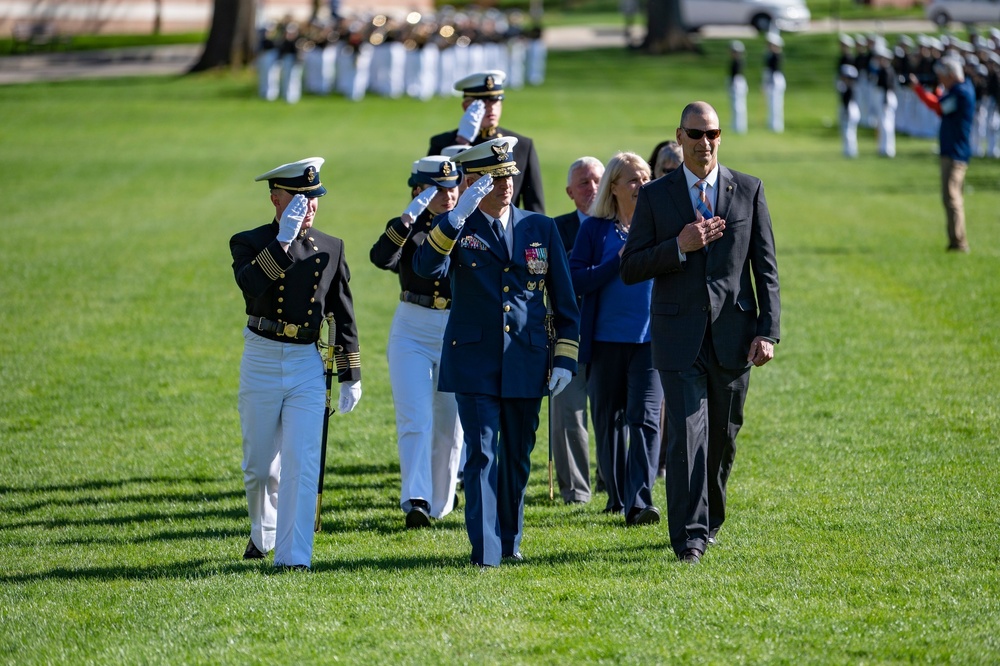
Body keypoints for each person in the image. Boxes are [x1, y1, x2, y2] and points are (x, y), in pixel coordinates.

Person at [620, 102, 781, 564]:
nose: (705, 143)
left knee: (722, 439)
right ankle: (689, 537)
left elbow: (765, 270)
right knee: (687, 436)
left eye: (713, 133)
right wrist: (678, 246)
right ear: (679, 136)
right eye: (696, 134)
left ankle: (709, 521)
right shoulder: (655, 196)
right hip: (677, 337)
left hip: (734, 336)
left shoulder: (748, 190)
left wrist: (767, 331)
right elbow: (630, 267)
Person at [413, 137, 580, 568]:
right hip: (473, 359)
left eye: (508, 175)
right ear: (472, 181)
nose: (507, 184)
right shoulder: (458, 227)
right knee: (482, 454)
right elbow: (424, 268)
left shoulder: (539, 228)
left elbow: (565, 301)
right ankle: (486, 551)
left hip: (526, 359)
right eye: (494, 177)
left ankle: (510, 541)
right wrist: (454, 218)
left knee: (517, 457)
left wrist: (563, 358)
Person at [230, 157, 363, 571]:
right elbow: (251, 289)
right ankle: (263, 531)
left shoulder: (331, 246)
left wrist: (350, 374)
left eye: (314, 198)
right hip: (263, 355)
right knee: (258, 467)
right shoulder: (248, 242)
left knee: (301, 463)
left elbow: (343, 314)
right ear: (275, 198)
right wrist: (282, 243)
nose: (308, 207)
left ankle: (292, 557)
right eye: (298, 198)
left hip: (306, 361)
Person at [369, 156, 464, 529]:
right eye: (438, 188)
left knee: (450, 425)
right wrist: (407, 218)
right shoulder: (410, 228)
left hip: (456, 327)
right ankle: (416, 499)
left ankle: (440, 501)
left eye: (453, 186)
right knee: (416, 418)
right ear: (418, 191)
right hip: (413, 326)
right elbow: (382, 258)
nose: (448, 194)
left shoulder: (466, 223)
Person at [569, 152, 662, 526]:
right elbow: (577, 280)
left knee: (645, 418)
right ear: (616, 187)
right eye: (634, 180)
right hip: (605, 341)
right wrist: (616, 260)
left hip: (650, 341)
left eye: (646, 178)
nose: (642, 185)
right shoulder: (594, 229)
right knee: (608, 422)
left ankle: (639, 502)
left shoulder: (659, 224)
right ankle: (618, 496)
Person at [550, 156, 604, 505]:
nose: (592, 188)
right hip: (567, 337)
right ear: (570, 192)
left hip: (611, 334)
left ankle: (613, 483)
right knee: (568, 416)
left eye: (598, 180)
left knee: (613, 416)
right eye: (584, 183)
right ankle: (576, 493)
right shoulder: (554, 228)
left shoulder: (623, 224)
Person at [427, 70, 546, 213]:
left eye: (495, 100)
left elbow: (534, 207)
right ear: (466, 107)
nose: (491, 107)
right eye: (482, 102)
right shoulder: (443, 143)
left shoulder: (521, 145)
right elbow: (432, 199)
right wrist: (461, 142)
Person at [908, 56, 976, 252]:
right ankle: (955, 240)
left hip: (955, 152)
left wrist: (919, 90)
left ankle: (959, 242)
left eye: (943, 77)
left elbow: (938, 106)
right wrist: (935, 91)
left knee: (952, 198)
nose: (941, 81)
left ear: (952, 75)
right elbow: (942, 106)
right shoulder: (959, 90)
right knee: (950, 197)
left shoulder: (961, 92)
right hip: (952, 150)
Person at [763, 32, 785, 133]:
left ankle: (776, 125)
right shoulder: (770, 55)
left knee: (776, 103)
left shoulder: (776, 55)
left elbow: (773, 69)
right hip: (772, 78)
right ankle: (772, 124)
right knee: (771, 103)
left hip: (775, 79)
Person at [838, 64, 861, 158]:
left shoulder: (849, 87)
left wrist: (846, 112)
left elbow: (847, 102)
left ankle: (850, 151)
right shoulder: (846, 87)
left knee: (849, 132)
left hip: (850, 110)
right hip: (851, 109)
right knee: (848, 131)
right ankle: (849, 151)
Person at [729, 41, 748, 135]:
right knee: (735, 106)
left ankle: (740, 126)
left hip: (737, 83)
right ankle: (736, 125)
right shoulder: (735, 61)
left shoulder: (738, 62)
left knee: (738, 106)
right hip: (736, 82)